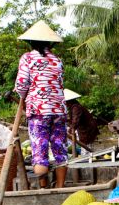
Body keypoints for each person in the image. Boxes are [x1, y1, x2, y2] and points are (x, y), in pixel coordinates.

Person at [14, 20, 68, 188]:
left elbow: (21, 85)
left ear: (31, 42)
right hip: (58, 110)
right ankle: (60, 187)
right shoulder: (57, 60)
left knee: (39, 151)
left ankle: (43, 188)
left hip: (38, 111)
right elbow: (59, 82)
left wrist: (23, 96)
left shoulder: (28, 58)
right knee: (60, 150)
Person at [64, 89, 99, 153]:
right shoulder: (74, 107)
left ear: (68, 101)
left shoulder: (76, 108)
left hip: (87, 129)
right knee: (87, 147)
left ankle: (88, 158)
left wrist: (70, 130)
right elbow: (72, 120)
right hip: (86, 129)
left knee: (87, 148)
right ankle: (89, 157)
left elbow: (75, 121)